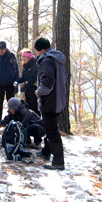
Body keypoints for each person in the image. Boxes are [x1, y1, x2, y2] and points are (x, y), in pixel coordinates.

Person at [34, 37, 67, 170]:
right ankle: (46, 152)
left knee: (52, 131)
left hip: (50, 101)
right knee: (49, 127)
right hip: (59, 98)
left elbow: (47, 82)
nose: (36, 52)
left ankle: (58, 162)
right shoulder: (57, 58)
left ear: (41, 49)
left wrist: (39, 92)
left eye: (36, 50)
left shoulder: (46, 60)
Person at [0, 41, 19, 120]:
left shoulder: (11, 56)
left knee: (12, 103)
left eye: (2, 49)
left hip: (10, 83)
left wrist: (16, 82)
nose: (1, 51)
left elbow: (15, 69)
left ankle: (12, 121)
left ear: (5, 48)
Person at [14, 50, 39, 116]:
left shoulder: (35, 66)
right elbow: (24, 78)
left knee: (34, 108)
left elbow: (33, 78)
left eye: (25, 57)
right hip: (28, 90)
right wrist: (17, 81)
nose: (23, 59)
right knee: (28, 107)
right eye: (22, 57)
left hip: (34, 90)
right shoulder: (25, 67)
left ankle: (38, 122)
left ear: (29, 58)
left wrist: (26, 85)